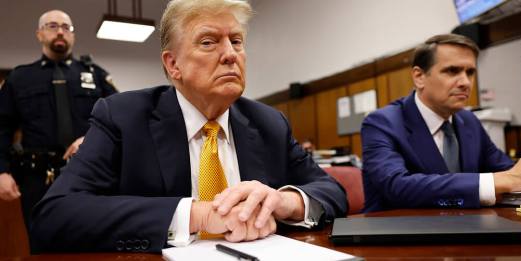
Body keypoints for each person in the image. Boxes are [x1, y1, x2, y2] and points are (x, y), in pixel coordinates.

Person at [31, 0, 347, 253]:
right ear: (173, 64)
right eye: (209, 42)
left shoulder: (269, 123)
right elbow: (55, 215)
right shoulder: (122, 117)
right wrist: (198, 215)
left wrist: (284, 202)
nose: (230, 55)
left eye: (236, 41)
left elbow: (332, 192)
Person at [361, 33, 521, 213]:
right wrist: (504, 181)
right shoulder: (381, 122)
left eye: (470, 72)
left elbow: (507, 169)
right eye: (452, 71)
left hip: (468, 228)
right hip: (397, 233)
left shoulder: (469, 120)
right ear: (419, 77)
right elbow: (396, 186)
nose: (465, 82)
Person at [0, 10, 117, 229]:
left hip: (89, 172)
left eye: (66, 27)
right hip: (37, 178)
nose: (61, 31)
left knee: (91, 239)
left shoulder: (96, 75)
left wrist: (92, 138)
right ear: (39, 34)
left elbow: (118, 120)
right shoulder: (19, 77)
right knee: (42, 241)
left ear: (72, 35)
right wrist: (1, 171)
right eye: (53, 26)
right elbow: (2, 128)